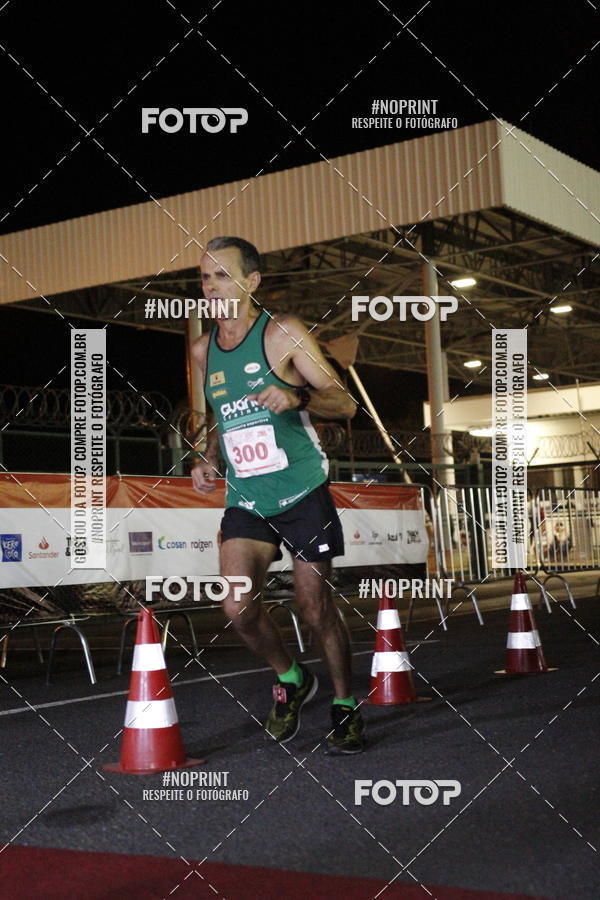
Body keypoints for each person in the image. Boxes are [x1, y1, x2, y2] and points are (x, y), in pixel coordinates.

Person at [191, 235, 365, 754]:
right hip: (247, 498)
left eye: (223, 275)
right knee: (238, 605)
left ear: (251, 282)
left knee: (315, 607)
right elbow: (213, 419)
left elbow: (345, 403)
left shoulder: (282, 334)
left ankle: (343, 703)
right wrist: (207, 457)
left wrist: (298, 395)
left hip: (301, 491)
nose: (211, 286)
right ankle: (292, 677)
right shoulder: (203, 350)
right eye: (204, 277)